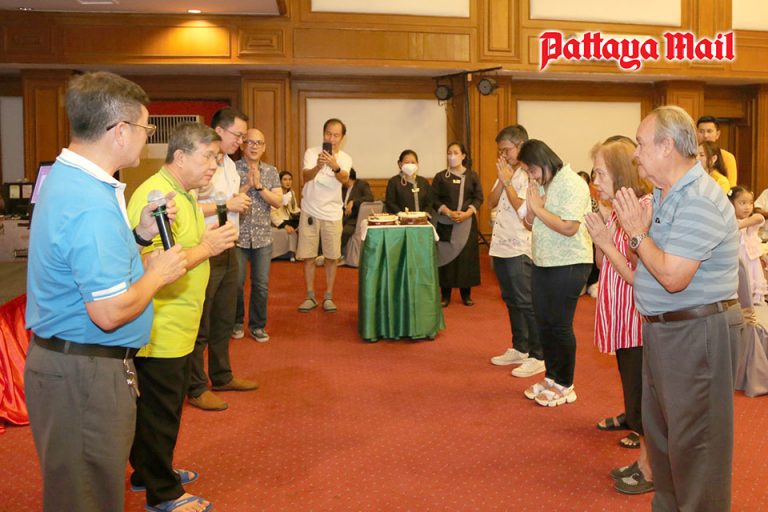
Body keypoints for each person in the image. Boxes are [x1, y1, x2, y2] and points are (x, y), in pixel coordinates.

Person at [24, 71, 187, 512]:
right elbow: (110, 312)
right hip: (84, 374)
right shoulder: (90, 203)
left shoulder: (69, 178)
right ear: (119, 131)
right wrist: (158, 273)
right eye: (146, 128)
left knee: (86, 489)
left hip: (74, 365)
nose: (146, 139)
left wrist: (140, 235)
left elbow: (86, 263)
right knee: (87, 497)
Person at [614, 105, 743, 511]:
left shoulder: (700, 199)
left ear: (667, 145)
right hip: (666, 330)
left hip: (697, 333)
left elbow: (672, 276)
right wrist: (634, 238)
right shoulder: (664, 195)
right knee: (664, 441)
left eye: (640, 144)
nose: (635, 154)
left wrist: (637, 234)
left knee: (697, 447)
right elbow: (649, 266)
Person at [127, 122, 237, 512]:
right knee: (161, 410)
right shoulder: (156, 195)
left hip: (179, 322)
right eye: (208, 157)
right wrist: (208, 247)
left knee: (160, 408)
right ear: (180, 156)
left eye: (217, 158)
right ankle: (163, 492)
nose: (214, 165)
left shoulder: (184, 194)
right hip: (160, 325)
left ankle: (148, 471)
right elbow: (155, 263)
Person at [583, 137, 653, 495]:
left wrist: (606, 241)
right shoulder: (616, 209)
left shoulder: (642, 209)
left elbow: (639, 275)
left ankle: (650, 466)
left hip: (637, 318)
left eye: (600, 173)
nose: (595, 181)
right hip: (621, 316)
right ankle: (644, 459)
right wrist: (601, 233)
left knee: (643, 397)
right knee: (632, 388)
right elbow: (602, 263)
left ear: (620, 173)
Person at [187, 107, 258, 412]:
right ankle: (195, 386)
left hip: (229, 246)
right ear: (219, 131)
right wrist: (226, 204)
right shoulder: (203, 164)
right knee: (201, 323)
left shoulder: (229, 164)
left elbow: (226, 201)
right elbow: (189, 205)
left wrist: (241, 194)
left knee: (224, 319)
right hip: (206, 248)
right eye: (238, 135)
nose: (241, 142)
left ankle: (222, 375)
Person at [518, 139, 592, 407]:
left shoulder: (573, 183)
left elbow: (569, 227)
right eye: (527, 171)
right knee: (544, 322)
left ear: (543, 161)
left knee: (559, 324)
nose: (531, 176)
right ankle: (551, 376)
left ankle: (565, 384)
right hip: (543, 260)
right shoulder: (541, 185)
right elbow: (530, 224)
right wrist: (531, 208)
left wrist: (538, 208)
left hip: (570, 261)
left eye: (532, 170)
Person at [487, 125, 544, 378]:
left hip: (520, 246)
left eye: (506, 150)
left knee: (526, 301)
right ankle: (520, 347)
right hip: (500, 244)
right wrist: (502, 180)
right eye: (500, 151)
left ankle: (538, 355)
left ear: (521, 145)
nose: (503, 155)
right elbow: (490, 202)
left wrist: (508, 180)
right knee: (511, 300)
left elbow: (522, 207)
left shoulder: (532, 174)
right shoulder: (508, 173)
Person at [297, 118, 352, 312]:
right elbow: (305, 177)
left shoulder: (345, 158)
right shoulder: (311, 153)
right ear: (323, 134)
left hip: (333, 213)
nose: (332, 138)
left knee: (331, 256)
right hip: (310, 210)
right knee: (308, 256)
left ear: (342, 138)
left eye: (336, 135)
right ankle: (310, 296)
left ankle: (328, 296)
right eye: (328, 134)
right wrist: (318, 166)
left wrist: (334, 165)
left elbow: (344, 179)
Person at [233, 128, 283, 342]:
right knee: (236, 283)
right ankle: (236, 322)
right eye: (250, 142)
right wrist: (247, 185)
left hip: (263, 237)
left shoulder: (271, 171)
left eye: (259, 143)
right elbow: (227, 200)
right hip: (237, 237)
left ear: (264, 148)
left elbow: (278, 201)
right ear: (243, 145)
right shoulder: (232, 169)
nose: (254, 146)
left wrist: (260, 187)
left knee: (261, 285)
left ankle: (257, 326)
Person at [432, 142, 484, 307]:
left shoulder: (472, 176)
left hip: (466, 223)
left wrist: (467, 213)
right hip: (445, 222)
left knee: (466, 258)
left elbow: (478, 198)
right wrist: (447, 212)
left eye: (455, 152)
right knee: (445, 257)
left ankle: (466, 294)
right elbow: (434, 198)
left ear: (463, 156)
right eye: (449, 152)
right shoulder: (441, 177)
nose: (452, 156)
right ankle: (445, 295)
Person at [729, 185, 767, 304]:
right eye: (742, 203)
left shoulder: (753, 220)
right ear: (731, 204)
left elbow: (759, 218)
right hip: (737, 259)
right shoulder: (729, 221)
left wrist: (737, 225)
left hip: (751, 260)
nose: (747, 207)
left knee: (751, 279)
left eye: (750, 203)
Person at [384, 149, 435, 218]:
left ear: (417, 164)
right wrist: (401, 214)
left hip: (422, 220)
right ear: (400, 164)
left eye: (413, 162)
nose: (410, 165)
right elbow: (390, 202)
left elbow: (429, 202)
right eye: (407, 162)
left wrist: (424, 214)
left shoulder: (423, 182)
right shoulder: (394, 182)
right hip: (401, 220)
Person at [697, 115, 737, 186]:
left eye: (709, 131)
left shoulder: (727, 157)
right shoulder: (690, 155)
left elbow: (732, 186)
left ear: (717, 134)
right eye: (701, 131)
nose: (705, 135)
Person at [341, 168, 373, 254]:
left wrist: (354, 202)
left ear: (348, 177)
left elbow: (370, 198)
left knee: (344, 231)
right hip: (341, 217)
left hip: (355, 219)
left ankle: (337, 254)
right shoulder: (341, 187)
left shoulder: (362, 185)